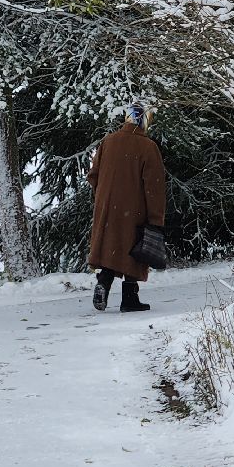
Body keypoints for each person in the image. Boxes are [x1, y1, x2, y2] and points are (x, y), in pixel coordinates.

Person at [87, 99, 166, 312]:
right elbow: (154, 186)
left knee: (111, 247)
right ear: (145, 121)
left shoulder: (108, 141)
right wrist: (156, 218)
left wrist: (104, 195)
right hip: (135, 208)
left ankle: (103, 282)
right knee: (133, 249)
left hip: (107, 205)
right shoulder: (148, 147)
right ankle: (129, 298)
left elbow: (93, 175)